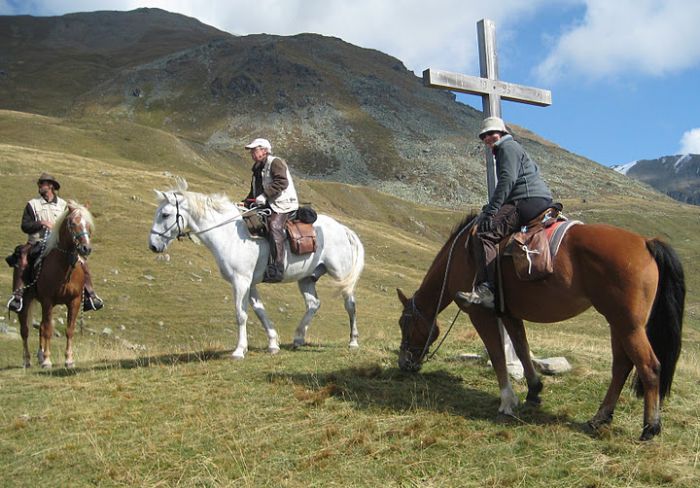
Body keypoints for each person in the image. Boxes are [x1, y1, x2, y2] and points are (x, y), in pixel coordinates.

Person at [455, 117, 553, 309]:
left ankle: (486, 290)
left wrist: (492, 210)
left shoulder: (506, 148)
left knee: (484, 232)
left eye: (491, 133)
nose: (488, 138)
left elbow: (508, 180)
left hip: (525, 199)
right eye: (484, 136)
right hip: (537, 199)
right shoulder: (514, 148)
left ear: (502, 133)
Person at [6, 173, 103, 312]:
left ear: (50, 186)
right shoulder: (32, 204)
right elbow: (25, 226)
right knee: (23, 260)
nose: (39, 186)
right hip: (37, 242)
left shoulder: (64, 205)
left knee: (82, 262)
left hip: (57, 244)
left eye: (42, 184)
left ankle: (90, 295)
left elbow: (71, 225)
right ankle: (18, 296)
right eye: (39, 184)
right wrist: (41, 223)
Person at [242, 138, 299, 282]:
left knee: (274, 226)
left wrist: (265, 195)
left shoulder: (275, 162)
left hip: (283, 204)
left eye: (255, 150)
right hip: (267, 203)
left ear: (264, 150)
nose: (252, 154)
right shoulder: (257, 167)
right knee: (249, 221)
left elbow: (282, 182)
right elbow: (255, 190)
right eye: (251, 152)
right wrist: (247, 202)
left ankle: (278, 267)